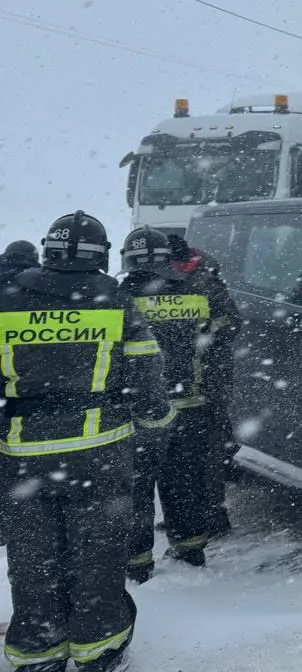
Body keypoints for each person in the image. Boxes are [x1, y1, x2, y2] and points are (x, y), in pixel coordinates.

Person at [0, 211, 172, 672]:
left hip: (24, 457)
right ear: (101, 254)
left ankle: (37, 649)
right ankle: (98, 648)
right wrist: (157, 420)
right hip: (100, 452)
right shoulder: (114, 299)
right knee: (96, 552)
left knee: (33, 555)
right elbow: (146, 373)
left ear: (49, 248)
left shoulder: (8, 299)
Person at [117, 228, 239, 583]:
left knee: (136, 491)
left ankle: (137, 564)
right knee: (185, 483)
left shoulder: (118, 298)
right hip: (191, 406)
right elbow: (227, 333)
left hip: (138, 413)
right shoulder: (199, 292)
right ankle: (191, 549)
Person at [166, 232, 241, 539]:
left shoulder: (204, 279)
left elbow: (231, 321)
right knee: (188, 454)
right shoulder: (184, 278)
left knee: (208, 451)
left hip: (210, 380)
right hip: (191, 380)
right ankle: (189, 514)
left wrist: (203, 332)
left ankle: (212, 514)